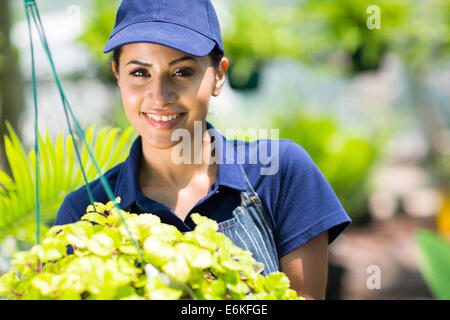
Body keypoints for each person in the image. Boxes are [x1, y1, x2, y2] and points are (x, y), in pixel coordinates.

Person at [55, 0, 352, 300]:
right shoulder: (84, 213)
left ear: (218, 76)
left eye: (182, 72)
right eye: (140, 73)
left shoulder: (279, 172)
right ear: (117, 73)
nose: (159, 96)